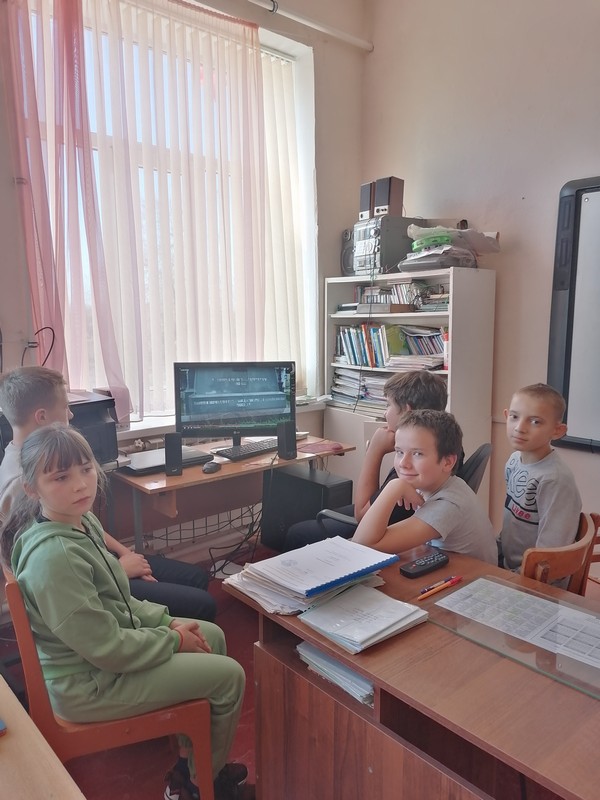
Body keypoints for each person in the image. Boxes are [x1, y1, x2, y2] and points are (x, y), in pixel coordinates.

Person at [0, 424, 250, 800]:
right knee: (230, 678)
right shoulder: (55, 558)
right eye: (61, 477)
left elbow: (121, 601)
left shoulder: (80, 523)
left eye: (86, 469)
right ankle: (201, 787)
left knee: (210, 634)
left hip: (103, 662)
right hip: (89, 685)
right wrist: (171, 640)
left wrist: (168, 622)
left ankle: (191, 766)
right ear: (32, 489)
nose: (81, 485)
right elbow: (107, 649)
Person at [0, 366, 216, 622]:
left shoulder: (46, 460)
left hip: (99, 560)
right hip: (89, 581)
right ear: (42, 417)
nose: (71, 414)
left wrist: (124, 552)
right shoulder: (21, 483)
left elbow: (85, 524)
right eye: (66, 407)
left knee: (197, 577)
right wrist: (118, 570)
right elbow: (51, 570)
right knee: (203, 604)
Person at [283, 371, 449, 551]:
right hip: (393, 521)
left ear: (407, 411)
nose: (385, 413)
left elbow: (361, 515)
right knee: (317, 517)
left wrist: (374, 451)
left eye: (388, 405)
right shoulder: (441, 447)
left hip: (380, 531)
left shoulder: (411, 468)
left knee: (296, 533)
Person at [352, 409, 497, 564]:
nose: (403, 463)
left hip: (470, 576)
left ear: (447, 462)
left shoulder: (449, 504)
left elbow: (363, 545)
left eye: (417, 454)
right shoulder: (432, 484)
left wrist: (393, 487)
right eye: (399, 452)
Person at [499, 382, 582, 572]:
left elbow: (551, 554)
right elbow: (511, 521)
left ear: (557, 431)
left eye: (535, 421)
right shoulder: (514, 461)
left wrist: (515, 577)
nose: (520, 428)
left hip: (536, 579)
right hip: (510, 566)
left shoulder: (555, 480)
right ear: (506, 416)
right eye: (514, 417)